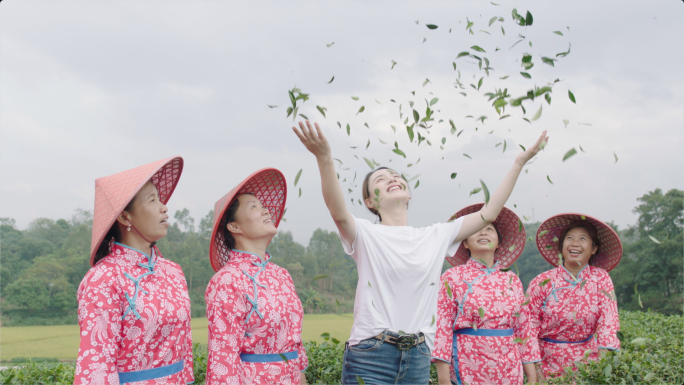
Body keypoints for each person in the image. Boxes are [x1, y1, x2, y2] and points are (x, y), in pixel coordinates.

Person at [292, 120, 548, 384]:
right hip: (370, 355)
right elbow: (337, 211)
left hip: (417, 357)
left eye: (396, 176)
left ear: (409, 194)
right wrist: (324, 158)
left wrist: (518, 163)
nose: (392, 178)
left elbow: (488, 213)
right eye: (381, 179)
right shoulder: (366, 234)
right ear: (370, 202)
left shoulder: (435, 235)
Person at [74, 156, 194, 385]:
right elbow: (96, 365)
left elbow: (184, 349)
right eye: (152, 200)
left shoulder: (173, 271)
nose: (164, 207)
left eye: (160, 199)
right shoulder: (103, 279)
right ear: (124, 216)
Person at [204, 168, 309, 385]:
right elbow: (223, 357)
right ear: (234, 226)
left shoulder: (282, 275)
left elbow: (295, 345)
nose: (265, 211)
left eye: (263, 206)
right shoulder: (227, 281)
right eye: (254, 207)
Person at [433, 204, 527, 385]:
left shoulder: (512, 279)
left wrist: (531, 371)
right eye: (476, 229)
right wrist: (443, 378)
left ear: (499, 243)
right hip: (468, 364)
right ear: (465, 242)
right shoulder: (452, 277)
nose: (483, 233)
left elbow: (523, 328)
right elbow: (442, 328)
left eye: (489, 229)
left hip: (509, 367)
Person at [521, 213, 622, 382]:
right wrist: (535, 373)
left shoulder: (601, 279)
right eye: (569, 238)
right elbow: (527, 328)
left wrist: (600, 371)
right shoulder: (541, 282)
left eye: (583, 239)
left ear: (594, 248)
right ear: (561, 247)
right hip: (546, 366)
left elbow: (608, 324)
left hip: (588, 368)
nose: (575, 244)